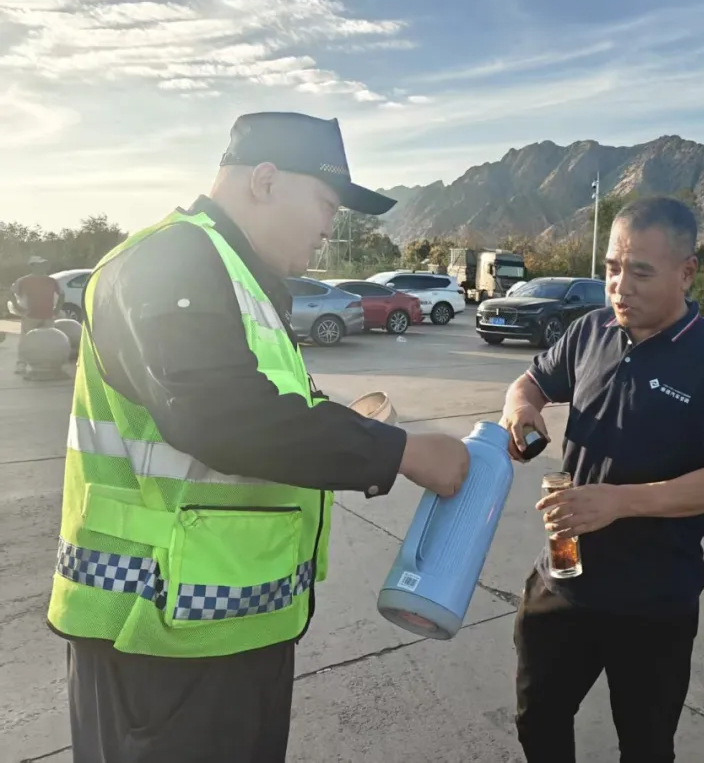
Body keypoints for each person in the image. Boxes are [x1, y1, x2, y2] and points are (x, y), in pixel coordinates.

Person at [48, 111, 471, 763]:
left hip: (227, 631)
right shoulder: (171, 258)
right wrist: (401, 452)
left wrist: (354, 425)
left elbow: (265, 406)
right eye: (326, 203)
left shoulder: (237, 275)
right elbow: (218, 412)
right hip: (156, 643)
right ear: (265, 180)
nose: (330, 228)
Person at [500, 196, 704, 763]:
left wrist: (620, 501)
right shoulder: (590, 331)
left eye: (641, 271)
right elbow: (530, 382)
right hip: (564, 580)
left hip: (654, 602)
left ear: (686, 273)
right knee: (538, 718)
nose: (620, 287)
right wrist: (521, 410)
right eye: (613, 268)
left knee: (646, 746)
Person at [10, 255, 62, 374]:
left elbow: (62, 294)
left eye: (43, 264)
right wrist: (18, 307)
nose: (42, 267)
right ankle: (21, 364)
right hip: (30, 316)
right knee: (25, 341)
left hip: (47, 316)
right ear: (32, 266)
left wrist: (57, 309)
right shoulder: (23, 280)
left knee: (48, 341)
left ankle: (47, 364)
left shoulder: (51, 280)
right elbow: (11, 293)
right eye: (39, 265)